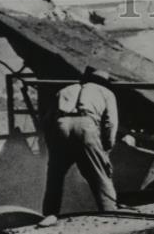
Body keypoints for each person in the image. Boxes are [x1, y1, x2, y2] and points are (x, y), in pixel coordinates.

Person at [41, 66, 119, 216]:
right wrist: (106, 151)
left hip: (61, 125)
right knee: (102, 178)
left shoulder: (65, 90)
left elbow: (47, 121)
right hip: (86, 127)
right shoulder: (107, 93)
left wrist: (53, 148)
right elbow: (111, 124)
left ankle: (49, 215)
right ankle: (111, 215)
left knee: (55, 177)